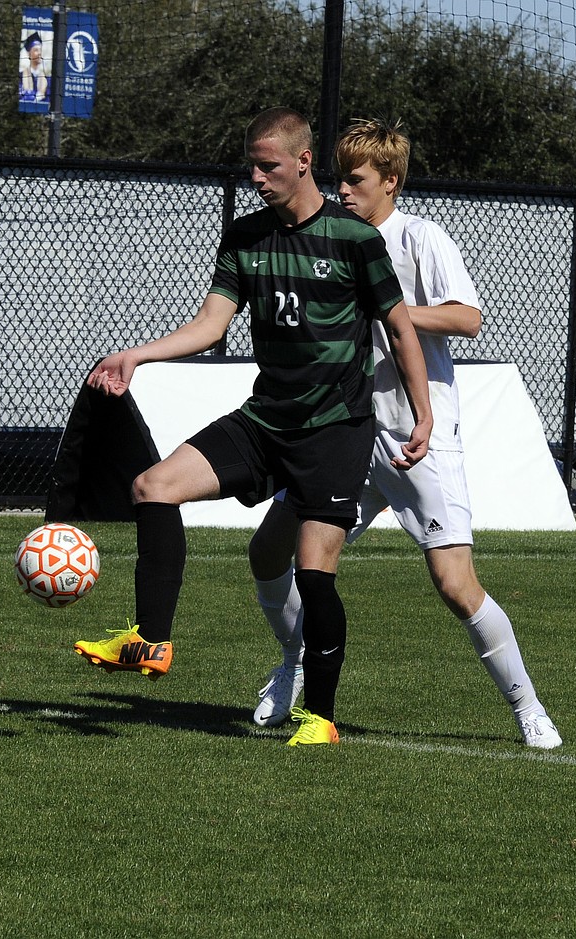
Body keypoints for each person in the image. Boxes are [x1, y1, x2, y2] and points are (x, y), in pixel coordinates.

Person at [74, 108, 433, 746]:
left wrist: (422, 412)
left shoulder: (354, 239)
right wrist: (136, 355)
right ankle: (151, 640)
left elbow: (400, 329)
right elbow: (211, 327)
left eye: (268, 165)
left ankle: (320, 718)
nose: (256, 176)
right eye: (252, 164)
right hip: (266, 419)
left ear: (302, 162)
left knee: (313, 571)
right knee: (153, 486)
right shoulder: (244, 237)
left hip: (333, 429)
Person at [248, 117, 562, 749]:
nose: (344, 190)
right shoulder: (328, 237)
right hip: (342, 433)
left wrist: (387, 308)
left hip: (417, 438)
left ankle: (528, 707)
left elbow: (467, 317)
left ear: (390, 182)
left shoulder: (421, 238)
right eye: (339, 177)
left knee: (454, 584)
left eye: (357, 180)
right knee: (268, 552)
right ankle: (292, 665)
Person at [20, 32, 49, 103]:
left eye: (40, 50)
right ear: (29, 53)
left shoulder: (47, 79)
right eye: (36, 50)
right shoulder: (20, 76)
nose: (39, 53)